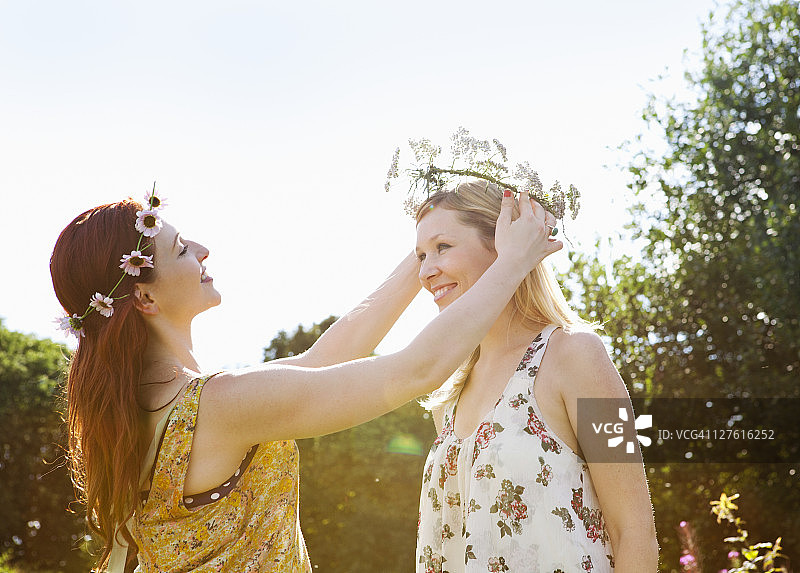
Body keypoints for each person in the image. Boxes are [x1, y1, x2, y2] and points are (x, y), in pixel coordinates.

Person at [49, 187, 559, 572]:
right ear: (145, 299)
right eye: (181, 249)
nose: (203, 250)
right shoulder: (221, 405)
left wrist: (425, 244)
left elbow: (327, 356)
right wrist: (513, 260)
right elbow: (416, 369)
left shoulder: (155, 410)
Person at [412, 181, 658, 572]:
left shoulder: (576, 354)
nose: (427, 271)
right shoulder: (449, 394)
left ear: (503, 245)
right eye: (421, 255)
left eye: (443, 247)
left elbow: (634, 530)